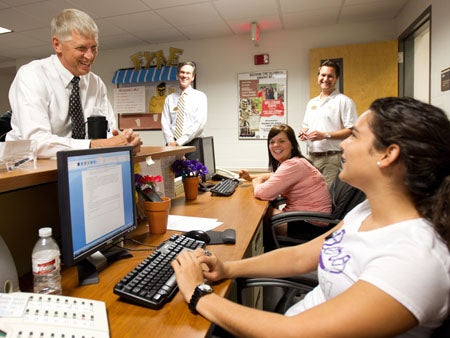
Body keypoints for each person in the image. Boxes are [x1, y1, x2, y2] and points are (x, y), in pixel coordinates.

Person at [171, 97, 450, 337]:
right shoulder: (367, 212)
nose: (342, 145)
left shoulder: (415, 261)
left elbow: (294, 333)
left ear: (388, 155)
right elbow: (300, 256)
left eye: (353, 135)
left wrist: (198, 293)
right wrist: (228, 268)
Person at [7, 8, 141, 158]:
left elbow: (109, 133)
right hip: (30, 169)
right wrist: (92, 145)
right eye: (81, 48)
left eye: (94, 48)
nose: (90, 56)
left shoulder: (95, 83)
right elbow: (36, 142)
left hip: (81, 165)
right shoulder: (32, 75)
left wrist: (125, 143)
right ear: (57, 45)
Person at [239, 124, 331, 247]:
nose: (276, 145)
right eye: (272, 142)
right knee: (262, 212)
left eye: (281, 141)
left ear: (292, 144)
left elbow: (262, 193)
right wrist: (251, 178)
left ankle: (267, 255)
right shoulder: (297, 161)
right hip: (312, 219)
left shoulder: (293, 165)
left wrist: (256, 181)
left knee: (257, 215)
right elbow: (274, 175)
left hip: (311, 225)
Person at [299, 59, 357, 187]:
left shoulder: (344, 101)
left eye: (330, 76)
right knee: (313, 194)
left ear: (336, 78)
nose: (326, 79)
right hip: (311, 157)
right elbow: (306, 126)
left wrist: (325, 135)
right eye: (323, 75)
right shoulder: (312, 103)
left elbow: (352, 130)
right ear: (318, 76)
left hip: (332, 158)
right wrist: (304, 133)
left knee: (327, 196)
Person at [161, 61, 207, 147]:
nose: (184, 75)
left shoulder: (200, 97)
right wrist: (170, 141)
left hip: (193, 144)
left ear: (192, 77)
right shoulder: (169, 99)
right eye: (182, 72)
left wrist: (179, 142)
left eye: (188, 73)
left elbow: (199, 124)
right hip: (172, 144)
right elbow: (165, 123)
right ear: (178, 75)